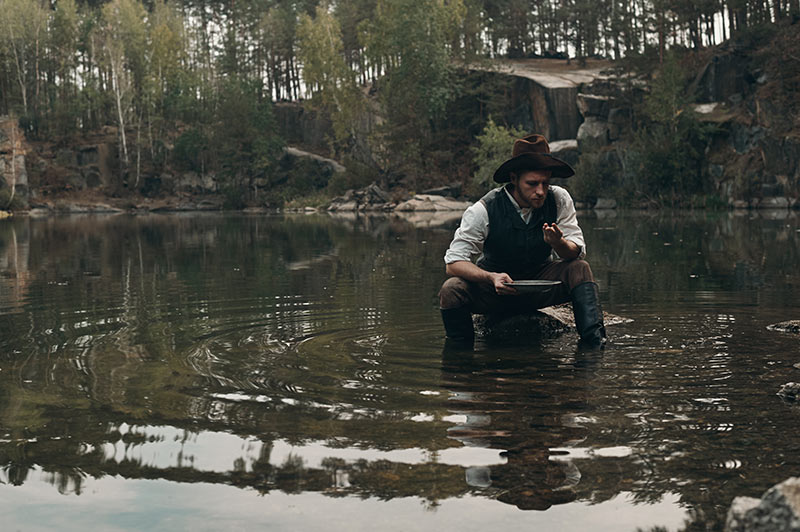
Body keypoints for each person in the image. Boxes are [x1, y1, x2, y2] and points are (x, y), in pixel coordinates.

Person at [439, 133, 606, 349]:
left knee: (580, 268)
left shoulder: (559, 198)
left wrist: (559, 244)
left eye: (545, 183)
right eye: (532, 184)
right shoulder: (483, 210)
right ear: (513, 179)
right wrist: (491, 277)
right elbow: (453, 264)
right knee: (451, 289)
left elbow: (575, 253)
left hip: (541, 287)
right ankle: (460, 358)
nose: (540, 191)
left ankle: (595, 347)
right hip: (495, 291)